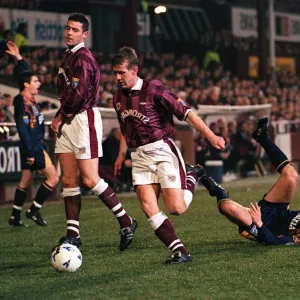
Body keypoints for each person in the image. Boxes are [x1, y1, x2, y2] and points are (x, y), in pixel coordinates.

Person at [112, 46, 225, 264]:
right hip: (140, 157)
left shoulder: (154, 89)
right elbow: (126, 128)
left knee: (176, 208)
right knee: (148, 206)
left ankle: (192, 175)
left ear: (134, 70)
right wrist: (121, 154)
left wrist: (211, 136)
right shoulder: (118, 97)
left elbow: (187, 112)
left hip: (162, 150)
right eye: (115, 73)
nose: (117, 78)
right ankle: (180, 251)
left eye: (121, 73)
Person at [51, 14, 137, 251]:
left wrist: (59, 116)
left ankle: (126, 221)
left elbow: (78, 98)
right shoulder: (69, 57)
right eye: (68, 28)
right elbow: (68, 94)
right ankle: (73, 234)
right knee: (69, 180)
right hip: (69, 118)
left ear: (85, 35)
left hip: (81, 119)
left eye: (75, 29)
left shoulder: (84, 59)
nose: (69, 32)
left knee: (90, 179)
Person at [201, 116, 300, 245]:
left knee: (228, 207)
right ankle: (261, 137)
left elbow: (274, 241)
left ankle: (219, 192)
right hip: (278, 208)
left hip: (263, 227)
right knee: (291, 176)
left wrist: (259, 223)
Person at [6, 41, 59, 227]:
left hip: (32, 145)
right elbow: (22, 128)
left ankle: (14, 216)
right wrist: (30, 152)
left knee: (25, 180)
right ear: (27, 85)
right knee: (53, 178)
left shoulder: (28, 97)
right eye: (36, 82)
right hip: (33, 147)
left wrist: (18, 58)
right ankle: (34, 210)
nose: (39, 83)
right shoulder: (21, 102)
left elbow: (25, 74)